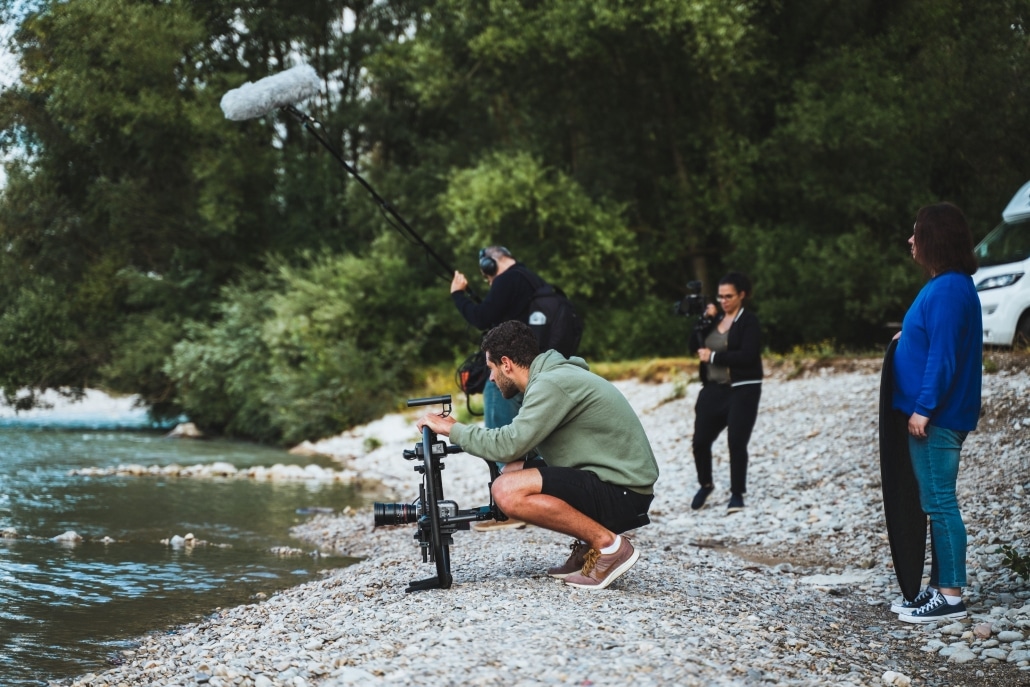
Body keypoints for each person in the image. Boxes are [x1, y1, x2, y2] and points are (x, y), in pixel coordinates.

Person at [416, 320, 659, 590]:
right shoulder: (552, 378)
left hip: (623, 492)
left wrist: (453, 429)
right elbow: (524, 443)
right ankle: (589, 545)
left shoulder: (552, 383)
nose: (492, 378)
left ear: (506, 363)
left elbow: (508, 444)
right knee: (513, 471)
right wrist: (518, 460)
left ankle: (608, 546)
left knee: (507, 490)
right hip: (612, 480)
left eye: (492, 369)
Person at [890, 202, 982, 624]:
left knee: (940, 501)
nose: (910, 240)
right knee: (935, 500)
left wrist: (924, 409)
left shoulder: (947, 289)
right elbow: (935, 337)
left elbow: (943, 357)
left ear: (935, 239)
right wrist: (907, 334)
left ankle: (950, 595)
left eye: (916, 233)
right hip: (938, 414)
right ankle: (938, 587)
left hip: (937, 418)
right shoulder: (949, 285)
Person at [450, 246, 547, 531]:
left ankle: (508, 508)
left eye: (486, 275)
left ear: (490, 263)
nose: (489, 282)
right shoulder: (532, 279)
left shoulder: (507, 280)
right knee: (525, 438)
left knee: (499, 436)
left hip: (509, 371)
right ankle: (527, 501)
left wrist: (458, 294)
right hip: (533, 369)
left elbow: (481, 317)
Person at [689, 271, 763, 513]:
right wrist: (704, 320)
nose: (724, 301)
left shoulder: (748, 321)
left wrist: (714, 356)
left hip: (742, 389)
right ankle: (706, 484)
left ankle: (737, 494)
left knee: (736, 442)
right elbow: (694, 346)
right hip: (713, 389)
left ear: (742, 295)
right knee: (700, 441)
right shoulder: (714, 318)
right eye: (720, 296)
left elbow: (748, 355)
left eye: (729, 296)